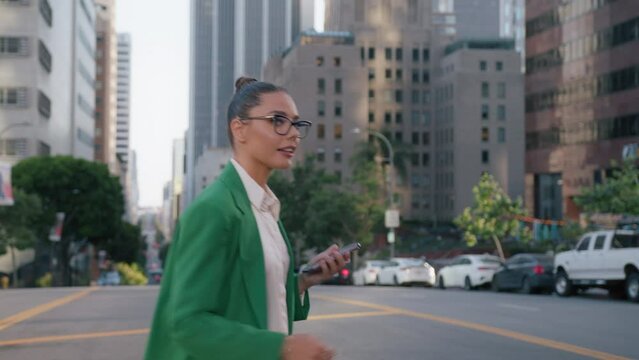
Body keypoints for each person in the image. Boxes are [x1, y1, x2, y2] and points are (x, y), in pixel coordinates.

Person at [144, 77, 348, 360]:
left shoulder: (265, 207)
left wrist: (303, 280)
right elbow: (187, 323)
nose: (292, 134)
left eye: (296, 123)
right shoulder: (214, 209)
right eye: (278, 120)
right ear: (239, 129)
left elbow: (254, 297)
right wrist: (284, 348)